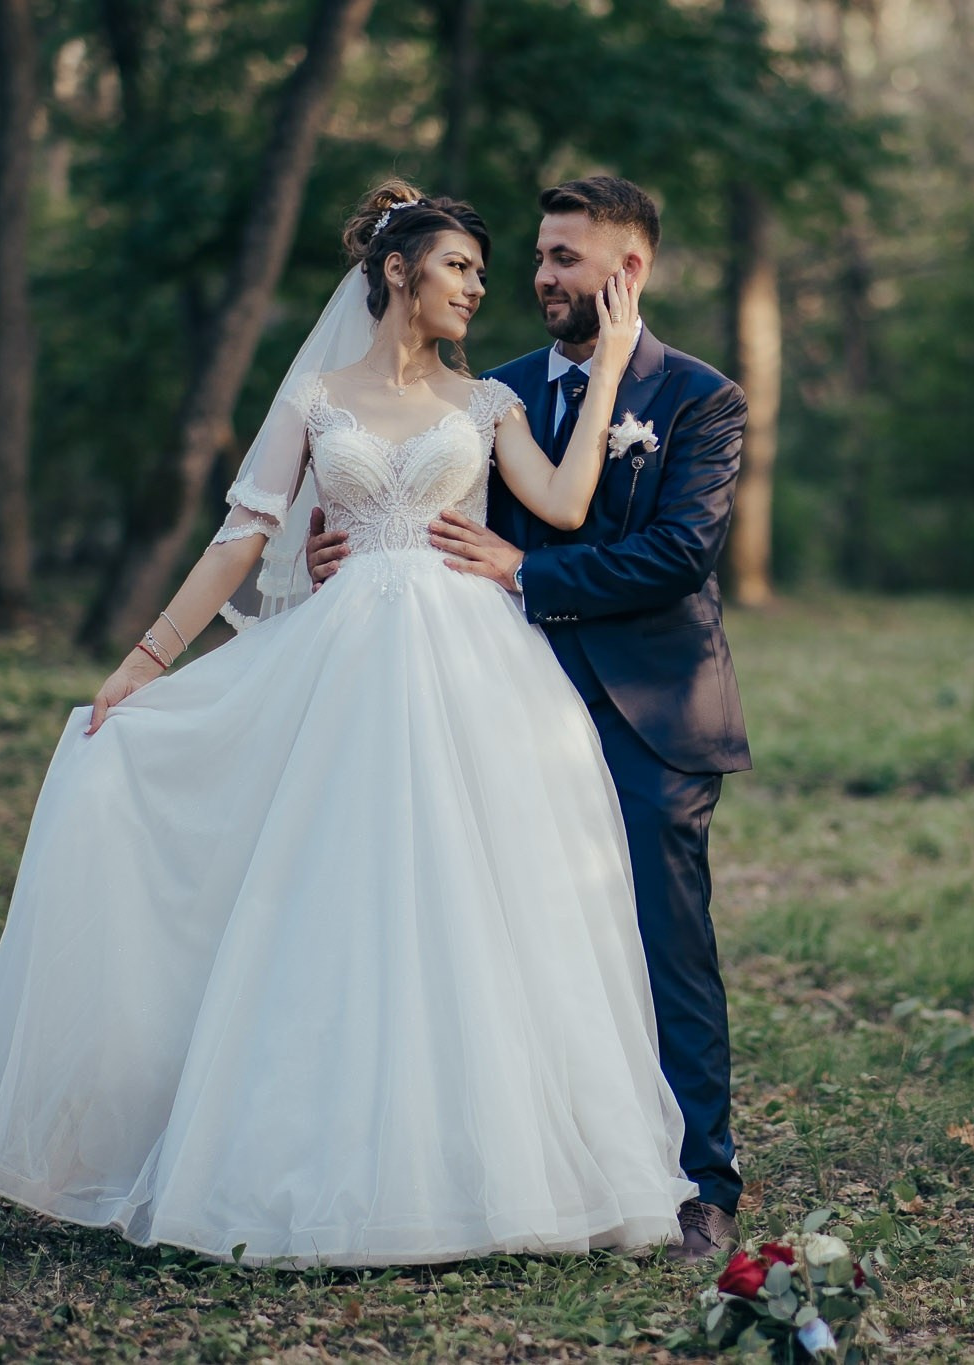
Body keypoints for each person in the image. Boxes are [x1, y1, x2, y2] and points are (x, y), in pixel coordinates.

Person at [0, 179, 701, 1268]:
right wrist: (142, 661)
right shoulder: (313, 399)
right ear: (399, 273)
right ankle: (317, 1154)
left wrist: (603, 385)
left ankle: (486, 1162)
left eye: (485, 276)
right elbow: (241, 539)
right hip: (346, 664)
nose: (478, 290)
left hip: (473, 668)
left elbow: (564, 509)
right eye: (459, 269)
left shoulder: (485, 404)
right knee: (337, 898)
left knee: (475, 901)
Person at [306, 175, 751, 1262]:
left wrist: (527, 567)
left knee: (660, 940)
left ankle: (699, 1180)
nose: (539, 278)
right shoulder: (487, 392)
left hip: (650, 712)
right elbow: (429, 516)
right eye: (539, 258)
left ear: (626, 271)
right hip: (500, 705)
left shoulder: (698, 397)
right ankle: (541, 1160)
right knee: (517, 941)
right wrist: (342, 546)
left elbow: (677, 554)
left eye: (563, 259)